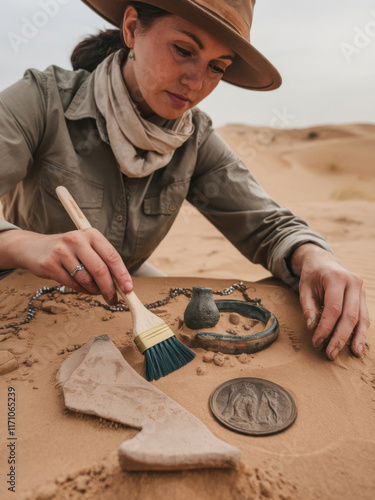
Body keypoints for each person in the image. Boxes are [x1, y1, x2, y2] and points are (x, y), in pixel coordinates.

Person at [0, 0, 369, 362]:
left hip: (123, 291)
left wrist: (314, 256)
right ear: (131, 28)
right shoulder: (41, 100)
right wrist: (24, 244)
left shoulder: (194, 139)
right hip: (20, 289)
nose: (195, 83)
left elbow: (267, 225)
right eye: (183, 50)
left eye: (217, 68)